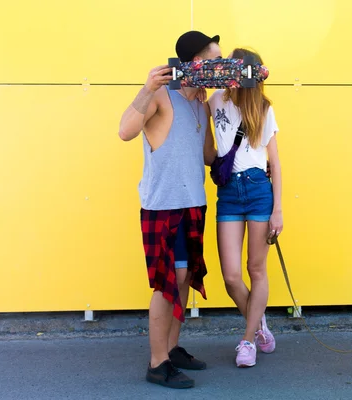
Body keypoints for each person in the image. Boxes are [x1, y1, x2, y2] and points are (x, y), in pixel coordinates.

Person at [118, 31, 222, 389]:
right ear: (193, 64)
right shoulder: (162, 95)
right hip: (164, 206)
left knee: (186, 277)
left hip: (193, 202)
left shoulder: (200, 104)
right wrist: (147, 87)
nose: (218, 67)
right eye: (213, 61)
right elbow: (125, 131)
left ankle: (172, 348)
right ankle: (157, 363)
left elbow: (207, 155)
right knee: (168, 284)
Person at [205, 48, 283, 368]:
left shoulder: (263, 109)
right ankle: (259, 322)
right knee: (231, 276)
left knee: (256, 269)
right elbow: (209, 147)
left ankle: (248, 340)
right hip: (229, 192)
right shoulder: (215, 101)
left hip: (257, 189)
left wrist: (278, 209)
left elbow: (275, 164)